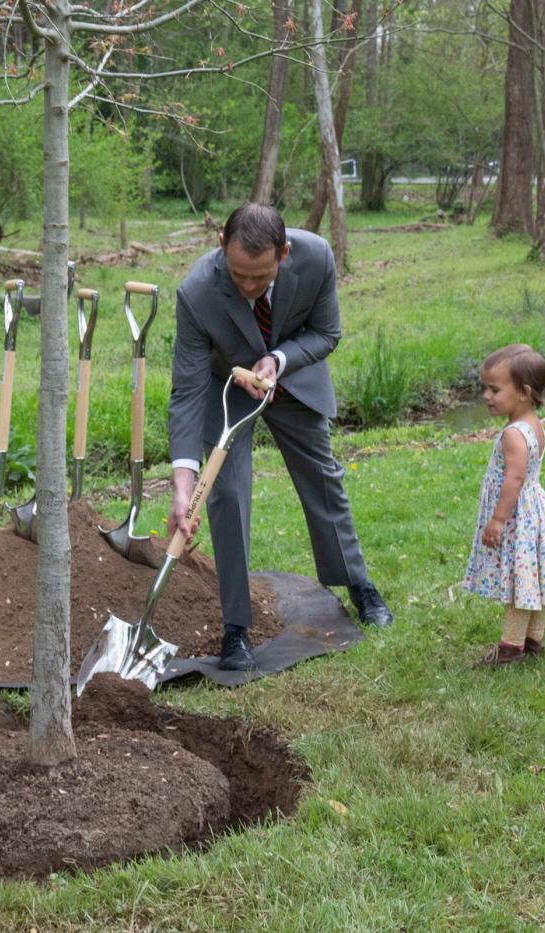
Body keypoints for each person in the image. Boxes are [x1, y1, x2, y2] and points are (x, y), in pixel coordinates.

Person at [167, 203, 392, 672]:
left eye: (261, 278)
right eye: (238, 275)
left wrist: (278, 360)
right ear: (221, 248)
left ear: (284, 254)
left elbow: (327, 333)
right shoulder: (196, 293)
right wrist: (182, 489)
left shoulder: (316, 257)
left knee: (322, 477)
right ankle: (236, 627)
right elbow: (187, 393)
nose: (248, 286)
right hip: (225, 385)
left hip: (288, 374)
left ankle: (358, 584)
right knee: (225, 493)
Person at [461, 344, 545, 665]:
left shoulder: (513, 434)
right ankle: (533, 640)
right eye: (485, 388)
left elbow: (513, 480)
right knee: (532, 579)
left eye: (495, 389)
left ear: (525, 392)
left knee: (519, 582)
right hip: (534, 510)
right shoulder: (534, 424)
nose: (486, 395)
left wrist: (498, 520)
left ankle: (511, 647)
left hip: (517, 516)